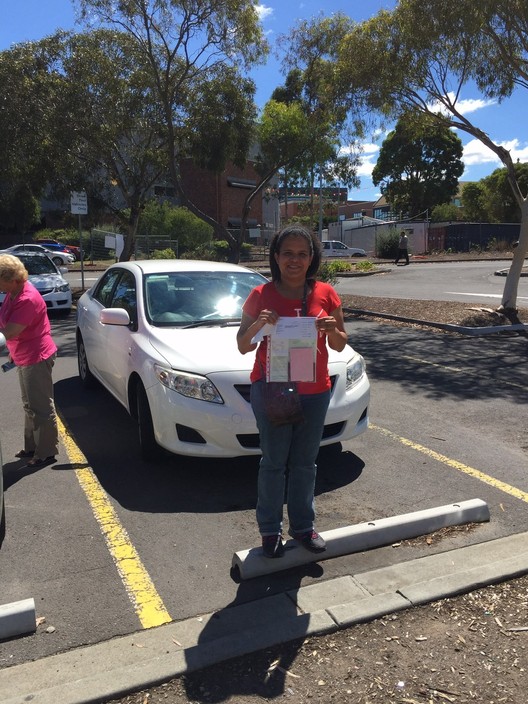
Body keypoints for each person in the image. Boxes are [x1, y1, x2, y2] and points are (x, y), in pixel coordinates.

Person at [237, 224, 348, 558]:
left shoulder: (326, 293)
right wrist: (258, 324)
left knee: (305, 464)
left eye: (302, 254)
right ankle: (270, 532)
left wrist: (332, 329)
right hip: (274, 389)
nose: (295, 260)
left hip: (315, 391)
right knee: (273, 463)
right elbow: (243, 345)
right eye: (288, 253)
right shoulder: (261, 295)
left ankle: (303, 528)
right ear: (276, 257)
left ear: (312, 257)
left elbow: (340, 345)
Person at [0, 254, 59, 467]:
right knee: (29, 404)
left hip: (36, 356)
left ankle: (46, 451)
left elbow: (12, 331)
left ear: (12, 279)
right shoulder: (13, 293)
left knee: (41, 405)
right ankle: (32, 446)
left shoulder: (26, 298)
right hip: (23, 355)